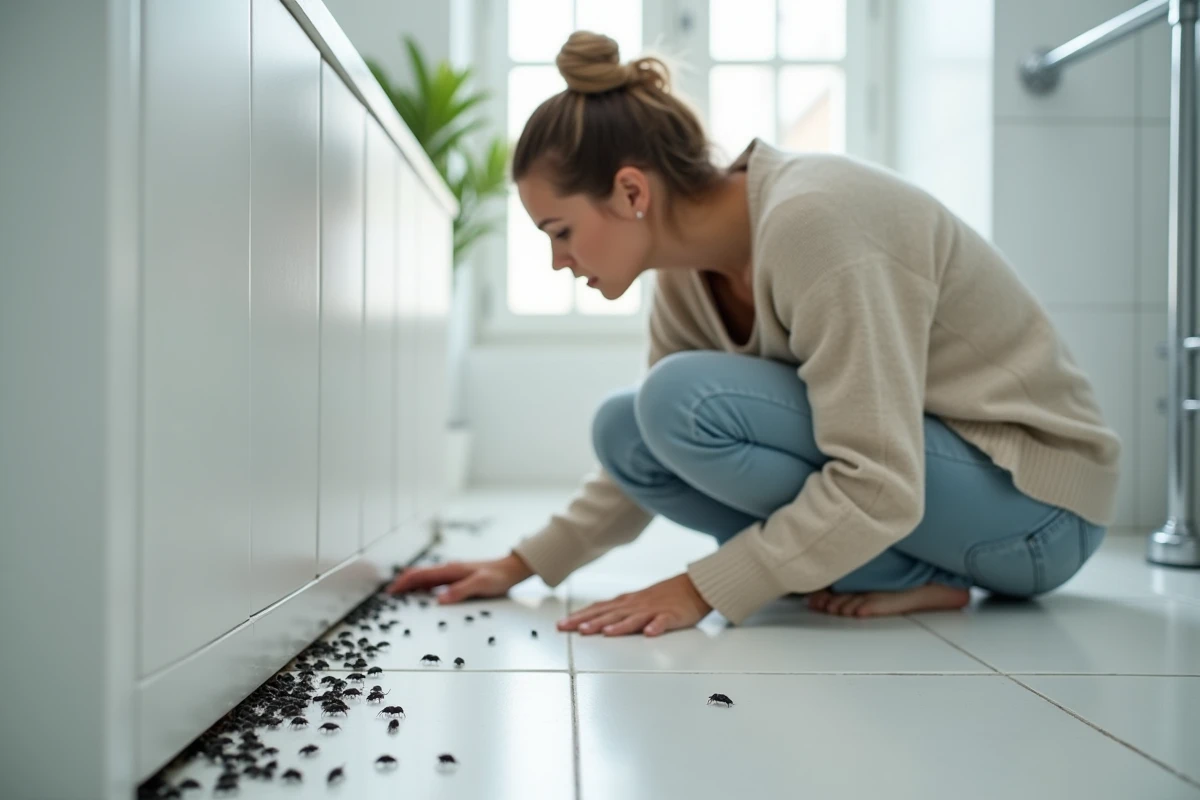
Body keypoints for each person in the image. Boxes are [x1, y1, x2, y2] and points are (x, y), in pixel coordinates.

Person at [387, 30, 1120, 638]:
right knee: (627, 427)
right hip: (937, 500)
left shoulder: (817, 222)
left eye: (561, 231)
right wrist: (521, 565)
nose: (558, 260)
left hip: (1037, 514)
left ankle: (912, 573)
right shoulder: (685, 272)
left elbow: (881, 482)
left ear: (632, 192)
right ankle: (914, 577)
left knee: (678, 397)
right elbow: (632, 466)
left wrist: (700, 589)